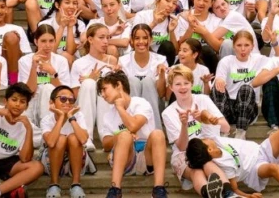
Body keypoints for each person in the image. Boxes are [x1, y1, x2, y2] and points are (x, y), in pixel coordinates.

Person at [187, 128, 279, 198]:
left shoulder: (216, 140)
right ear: (209, 149)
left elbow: (206, 120)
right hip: (254, 169)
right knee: (274, 168)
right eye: (205, 140)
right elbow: (234, 189)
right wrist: (248, 196)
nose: (207, 138)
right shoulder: (223, 165)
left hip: (261, 149)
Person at [97, 71, 169, 198]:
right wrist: (123, 136)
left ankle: (159, 189)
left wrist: (120, 108)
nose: (102, 95)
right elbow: (106, 144)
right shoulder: (108, 115)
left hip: (146, 157)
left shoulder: (141, 103)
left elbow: (134, 125)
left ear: (118, 85)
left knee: (158, 133)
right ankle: (115, 189)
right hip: (126, 159)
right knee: (124, 136)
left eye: (104, 89)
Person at [162, 65, 230, 194]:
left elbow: (226, 127)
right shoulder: (168, 113)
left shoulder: (203, 99)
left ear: (192, 84)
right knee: (196, 171)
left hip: (208, 146)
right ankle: (209, 194)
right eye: (178, 84)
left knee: (208, 164)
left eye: (186, 83)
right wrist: (183, 125)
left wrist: (207, 120)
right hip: (184, 153)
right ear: (171, 87)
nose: (183, 87)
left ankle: (228, 193)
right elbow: (182, 147)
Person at [69, 24, 119, 149]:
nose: (106, 42)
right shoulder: (78, 63)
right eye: (101, 37)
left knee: (105, 86)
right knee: (90, 83)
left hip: (106, 102)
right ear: (90, 39)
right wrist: (90, 79)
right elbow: (75, 95)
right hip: (84, 102)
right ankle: (87, 137)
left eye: (107, 38)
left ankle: (106, 136)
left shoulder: (112, 61)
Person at [18, 24, 71, 142]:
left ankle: (44, 133)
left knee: (47, 88)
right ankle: (45, 136)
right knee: (21, 121)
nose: (47, 45)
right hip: (31, 101)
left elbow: (65, 93)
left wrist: (52, 73)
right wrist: (33, 67)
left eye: (51, 41)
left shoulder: (61, 61)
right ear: (36, 41)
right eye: (43, 41)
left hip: (52, 104)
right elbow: (28, 91)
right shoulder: (24, 61)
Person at [212, 31, 269, 139]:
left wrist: (275, 43)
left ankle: (241, 132)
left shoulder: (259, 59)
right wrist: (219, 80)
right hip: (228, 108)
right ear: (234, 46)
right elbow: (220, 78)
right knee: (217, 88)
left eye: (246, 45)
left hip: (248, 109)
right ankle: (223, 131)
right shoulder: (226, 61)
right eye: (239, 45)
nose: (243, 49)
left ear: (252, 46)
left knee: (246, 88)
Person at [39, 85, 90, 198]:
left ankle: (76, 184)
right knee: (60, 138)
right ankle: (54, 184)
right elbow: (51, 142)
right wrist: (62, 117)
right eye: (63, 99)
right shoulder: (46, 120)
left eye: (71, 100)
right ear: (52, 102)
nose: (67, 102)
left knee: (73, 137)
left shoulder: (78, 116)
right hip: (51, 162)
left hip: (75, 162)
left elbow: (83, 139)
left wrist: (71, 117)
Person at [119, 24, 169, 129]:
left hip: (155, 104)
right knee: (133, 81)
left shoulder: (160, 60)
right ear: (131, 40)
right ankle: (132, 127)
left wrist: (162, 75)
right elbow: (123, 95)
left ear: (151, 39)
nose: (141, 42)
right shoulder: (123, 61)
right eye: (137, 38)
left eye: (145, 38)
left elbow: (161, 94)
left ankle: (156, 130)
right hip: (131, 105)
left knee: (147, 81)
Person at [132, 0, 190, 66]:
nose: (170, 5)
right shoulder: (142, 16)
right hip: (146, 56)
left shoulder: (173, 20)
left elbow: (175, 51)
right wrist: (154, 23)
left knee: (167, 46)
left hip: (166, 59)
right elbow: (134, 41)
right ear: (157, 0)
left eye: (174, 3)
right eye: (167, 1)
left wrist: (171, 31)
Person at [38, 0, 85, 64]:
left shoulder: (80, 24)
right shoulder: (45, 24)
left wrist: (70, 27)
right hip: (49, 59)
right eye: (67, 2)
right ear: (57, 5)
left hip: (71, 61)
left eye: (74, 3)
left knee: (66, 56)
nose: (71, 6)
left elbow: (70, 52)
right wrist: (62, 27)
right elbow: (50, 50)